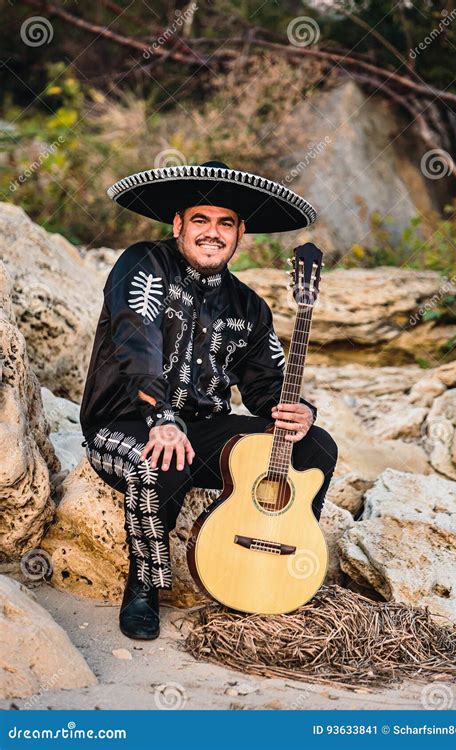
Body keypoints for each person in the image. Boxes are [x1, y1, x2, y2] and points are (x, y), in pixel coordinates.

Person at [79, 160, 338, 640]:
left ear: (240, 234)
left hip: (204, 431)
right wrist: (161, 416)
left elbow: (265, 389)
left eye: (225, 223)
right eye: (200, 219)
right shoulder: (143, 264)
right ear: (178, 225)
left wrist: (298, 410)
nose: (212, 232)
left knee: (315, 445)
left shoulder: (250, 307)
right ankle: (144, 588)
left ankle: (286, 556)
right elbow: (136, 345)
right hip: (125, 422)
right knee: (161, 457)